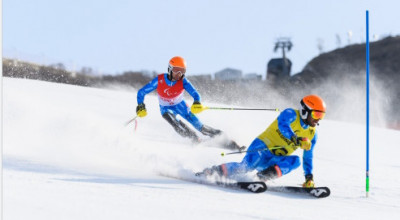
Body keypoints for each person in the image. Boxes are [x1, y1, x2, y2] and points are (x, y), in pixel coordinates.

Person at [198, 95, 326, 188]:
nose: (318, 120)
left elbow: (308, 158)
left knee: (295, 161)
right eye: (316, 115)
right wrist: (295, 139)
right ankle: (211, 172)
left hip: (274, 160)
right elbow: (283, 126)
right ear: (305, 110)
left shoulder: (312, 134)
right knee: (246, 167)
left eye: (321, 116)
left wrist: (309, 177)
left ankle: (263, 177)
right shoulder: (290, 114)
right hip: (261, 148)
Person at [136, 56, 243, 150]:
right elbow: (141, 92)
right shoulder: (160, 80)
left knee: (201, 127)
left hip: (182, 106)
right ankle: (195, 140)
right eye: (176, 70)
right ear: (169, 69)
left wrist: (197, 102)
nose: (179, 74)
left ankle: (228, 142)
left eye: (182, 71)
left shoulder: (183, 81)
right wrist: (141, 106)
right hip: (166, 108)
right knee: (176, 124)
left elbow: (195, 94)